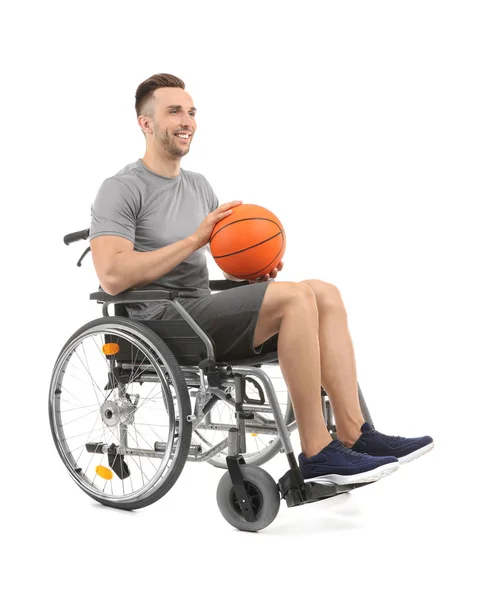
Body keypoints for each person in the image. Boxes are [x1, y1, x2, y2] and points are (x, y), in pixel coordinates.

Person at [90, 73, 433, 486]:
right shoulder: (121, 189)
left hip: (200, 310)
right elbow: (111, 276)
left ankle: (356, 433)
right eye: (174, 111)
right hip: (160, 320)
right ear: (145, 123)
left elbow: (217, 261)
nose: (188, 120)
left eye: (192, 112)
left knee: (322, 293)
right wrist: (195, 239)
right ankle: (317, 451)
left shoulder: (198, 186)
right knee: (294, 299)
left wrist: (251, 272)